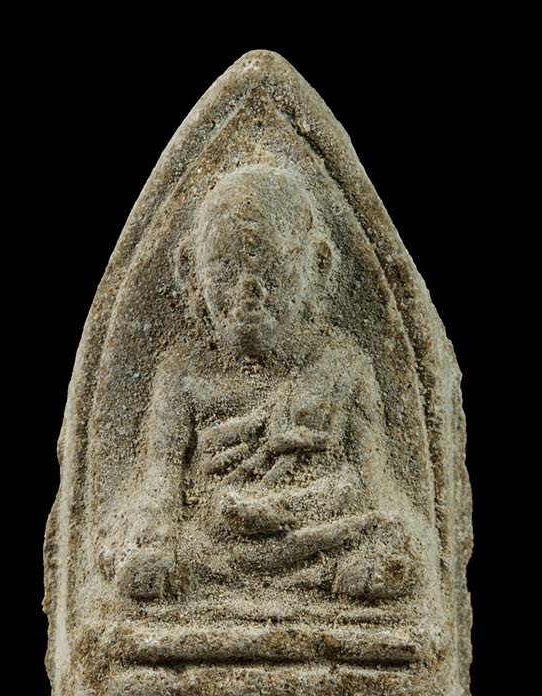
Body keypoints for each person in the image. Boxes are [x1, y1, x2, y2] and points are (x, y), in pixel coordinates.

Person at [97, 165, 419, 602]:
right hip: (216, 540)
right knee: (162, 551)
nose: (250, 291)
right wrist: (155, 537)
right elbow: (160, 483)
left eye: (273, 268)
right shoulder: (182, 372)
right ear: (191, 272)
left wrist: (327, 511)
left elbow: (374, 488)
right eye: (225, 269)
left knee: (377, 533)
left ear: (318, 266)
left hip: (318, 527)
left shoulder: (343, 366)